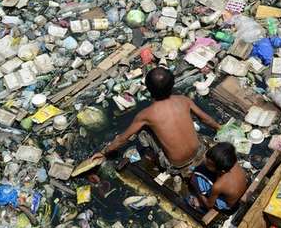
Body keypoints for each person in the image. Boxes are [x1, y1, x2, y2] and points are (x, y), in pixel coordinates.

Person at [92, 67, 221, 175]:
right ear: (172, 85)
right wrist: (219, 128)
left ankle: (151, 157)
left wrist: (104, 152)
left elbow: (122, 139)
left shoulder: (146, 114)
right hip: (200, 151)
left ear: (148, 89)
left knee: (144, 132)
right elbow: (206, 119)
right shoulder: (183, 100)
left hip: (177, 165)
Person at [189, 142, 247, 212]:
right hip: (237, 192)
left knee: (196, 179)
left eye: (209, 164)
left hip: (227, 205)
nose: (204, 161)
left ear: (222, 171)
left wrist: (198, 192)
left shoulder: (218, 186)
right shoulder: (232, 162)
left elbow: (209, 205)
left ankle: (200, 203)